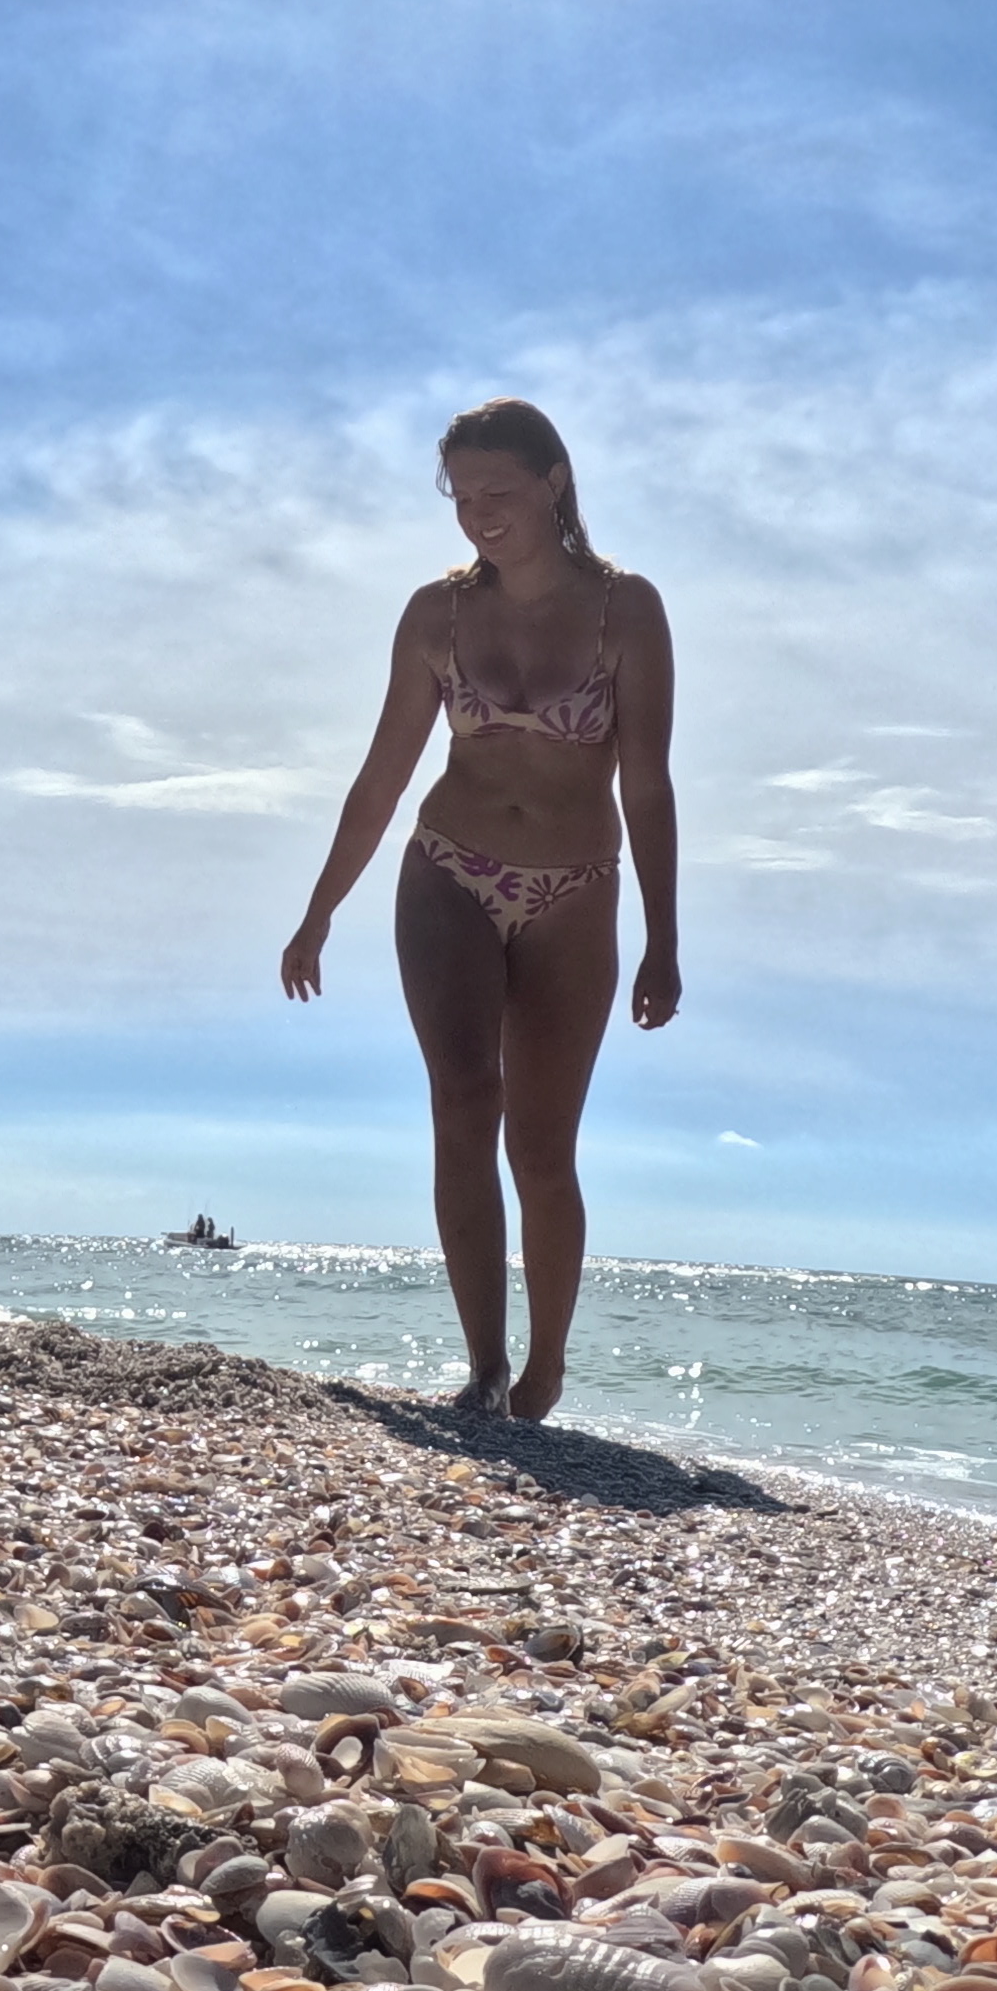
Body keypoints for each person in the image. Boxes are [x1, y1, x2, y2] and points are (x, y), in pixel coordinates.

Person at [277, 398, 676, 1423]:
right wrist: (320, 910)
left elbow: (648, 784)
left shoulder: (626, 609)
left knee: (542, 1148)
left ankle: (546, 1366)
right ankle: (485, 1366)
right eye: (461, 496)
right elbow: (381, 778)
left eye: (498, 491)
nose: (479, 513)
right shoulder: (435, 615)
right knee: (463, 1102)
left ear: (554, 482)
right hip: (449, 870)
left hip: (576, 890)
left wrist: (665, 938)